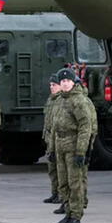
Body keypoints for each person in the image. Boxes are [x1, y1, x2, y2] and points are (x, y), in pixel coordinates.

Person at [51, 68, 93, 223]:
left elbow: (85, 127)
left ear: (73, 82)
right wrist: (53, 150)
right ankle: (68, 213)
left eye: (68, 81)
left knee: (75, 183)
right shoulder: (60, 100)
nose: (65, 84)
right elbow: (55, 127)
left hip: (73, 146)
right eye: (62, 81)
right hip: (61, 145)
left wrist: (81, 151)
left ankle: (76, 216)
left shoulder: (78, 101)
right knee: (63, 183)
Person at [43, 73, 62, 204]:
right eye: (50, 85)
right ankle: (55, 193)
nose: (51, 87)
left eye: (54, 85)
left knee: (61, 170)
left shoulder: (62, 100)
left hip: (59, 139)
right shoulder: (51, 100)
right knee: (52, 169)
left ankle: (62, 196)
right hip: (50, 139)